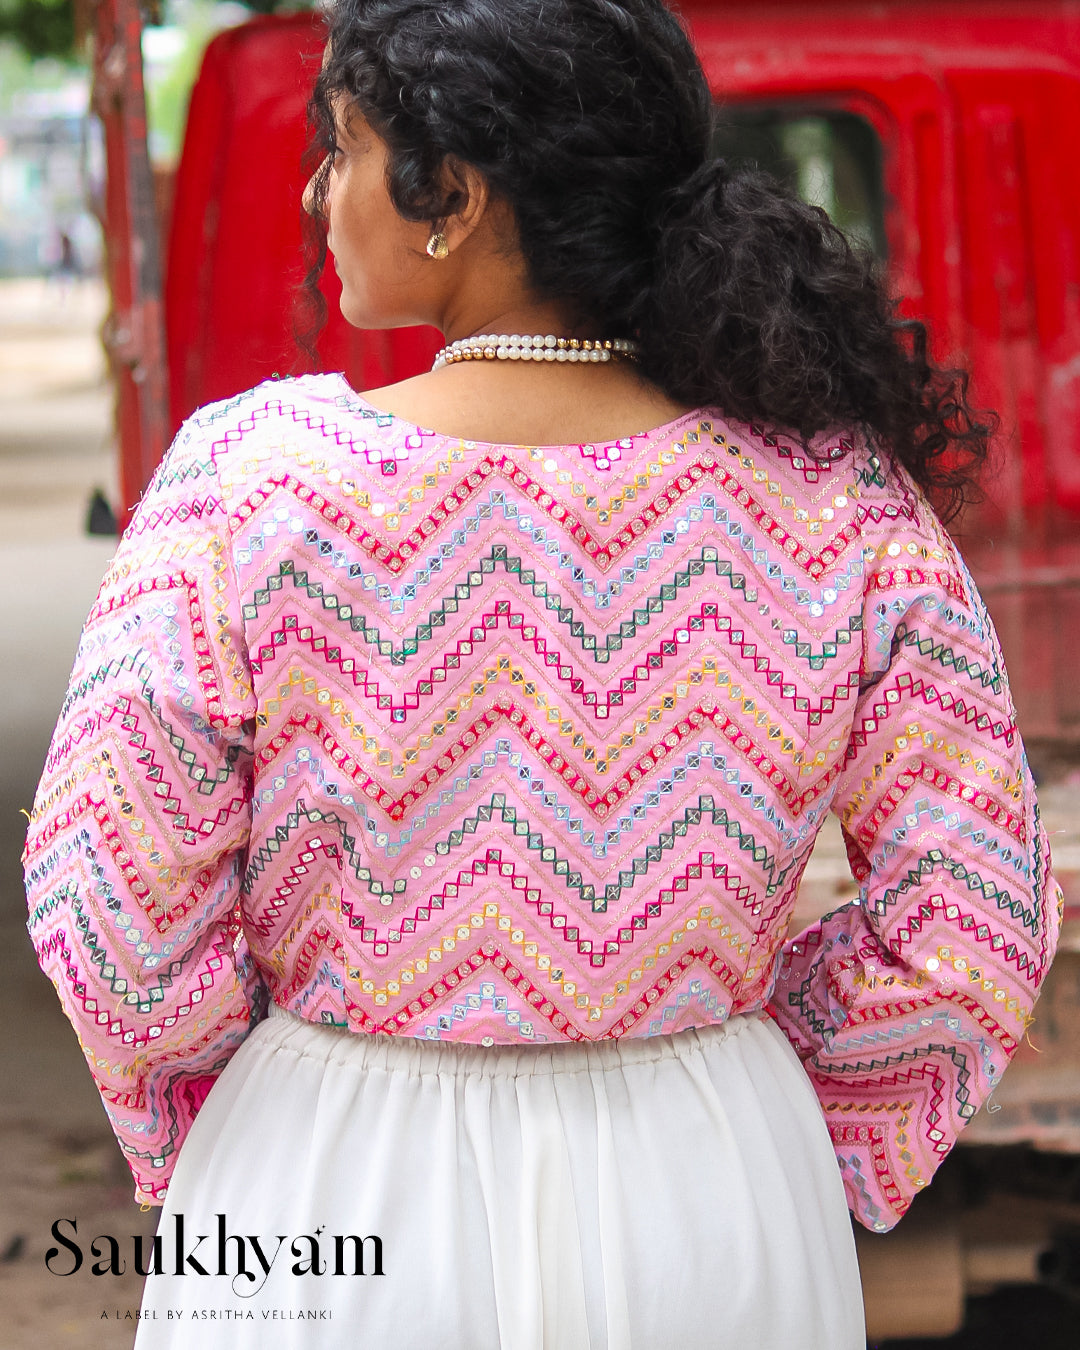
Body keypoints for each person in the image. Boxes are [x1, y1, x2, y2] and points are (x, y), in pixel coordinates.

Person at [23, 1, 1062, 1346]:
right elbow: (974, 913)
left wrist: (228, 1118)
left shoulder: (251, 486)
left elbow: (112, 893)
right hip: (714, 1195)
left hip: (334, 1181)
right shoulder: (834, 500)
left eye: (344, 147)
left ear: (452, 195)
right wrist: (767, 1108)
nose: (318, 192)